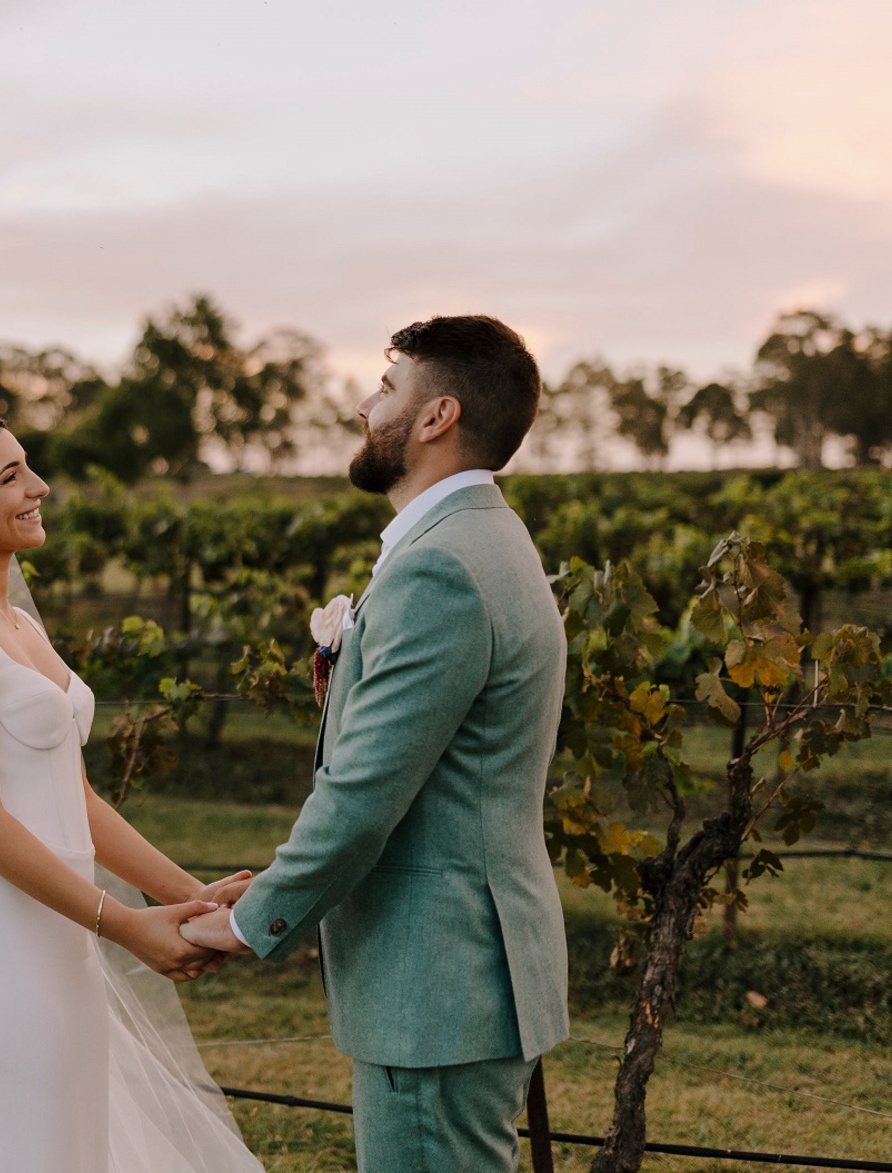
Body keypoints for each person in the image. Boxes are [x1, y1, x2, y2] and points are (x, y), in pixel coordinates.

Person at [181, 315, 570, 1173]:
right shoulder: (486, 541)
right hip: (466, 975)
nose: (364, 404)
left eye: (387, 388)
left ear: (438, 417)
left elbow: (361, 797)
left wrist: (250, 924)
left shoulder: (441, 568)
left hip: (437, 984)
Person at [0, 413, 261, 1173]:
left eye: (28, 467)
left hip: (58, 934)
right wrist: (128, 926)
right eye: (9, 477)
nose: (38, 487)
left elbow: (73, 797)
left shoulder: (15, 623)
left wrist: (189, 894)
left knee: (68, 1143)